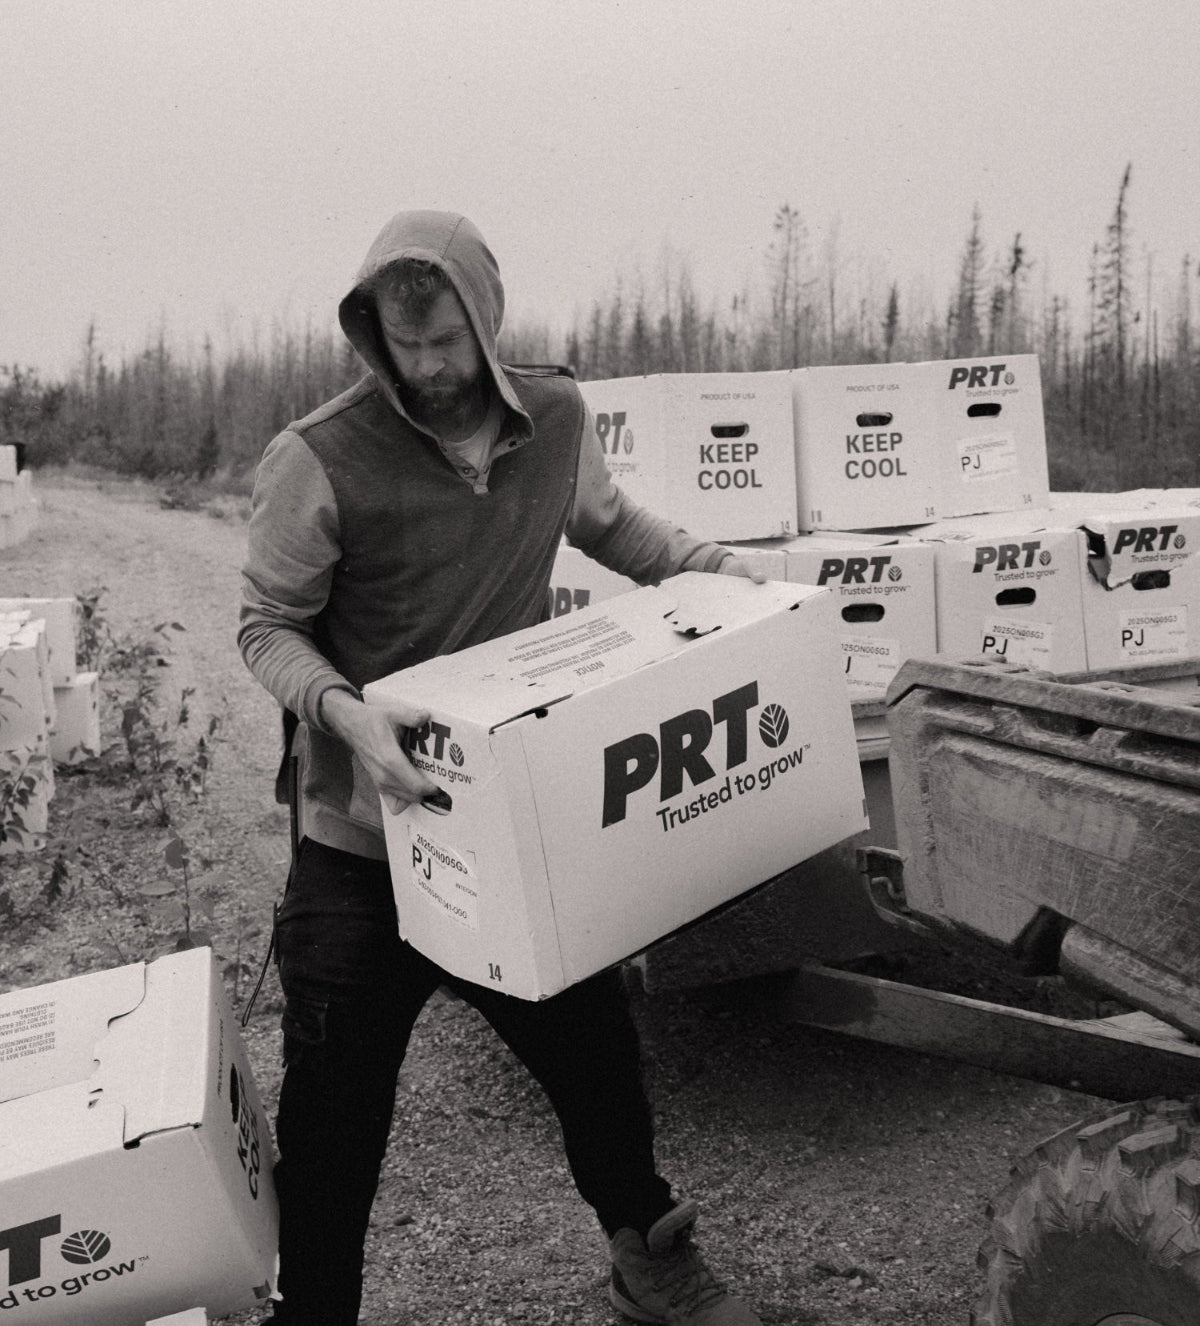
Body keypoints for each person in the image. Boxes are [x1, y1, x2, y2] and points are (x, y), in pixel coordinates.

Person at [239, 208, 764, 1326]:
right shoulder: (317, 457)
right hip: (361, 836)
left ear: (485, 319)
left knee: (597, 1058)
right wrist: (348, 716)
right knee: (333, 1116)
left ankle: (648, 1257)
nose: (427, 368)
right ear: (371, 333)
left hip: (501, 825)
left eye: (447, 341)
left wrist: (738, 582)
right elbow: (266, 628)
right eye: (403, 345)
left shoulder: (556, 418)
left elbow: (618, 531)